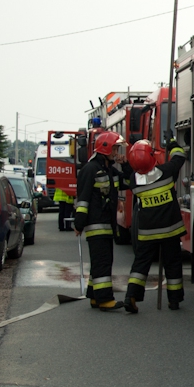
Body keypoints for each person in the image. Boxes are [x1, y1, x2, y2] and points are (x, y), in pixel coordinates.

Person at [122, 139, 187, 313]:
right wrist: (172, 144)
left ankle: (131, 296)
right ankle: (174, 300)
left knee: (140, 265)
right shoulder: (167, 173)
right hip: (170, 230)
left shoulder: (134, 182)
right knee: (172, 264)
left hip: (147, 233)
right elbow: (179, 157)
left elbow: (133, 174)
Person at [73, 131, 127, 311]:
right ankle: (105, 299)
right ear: (106, 148)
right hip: (96, 225)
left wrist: (124, 164)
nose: (117, 152)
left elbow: (128, 182)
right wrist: (79, 223)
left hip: (106, 225)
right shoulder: (90, 169)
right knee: (103, 261)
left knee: (100, 262)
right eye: (115, 148)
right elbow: (83, 199)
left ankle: (94, 296)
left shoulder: (109, 170)